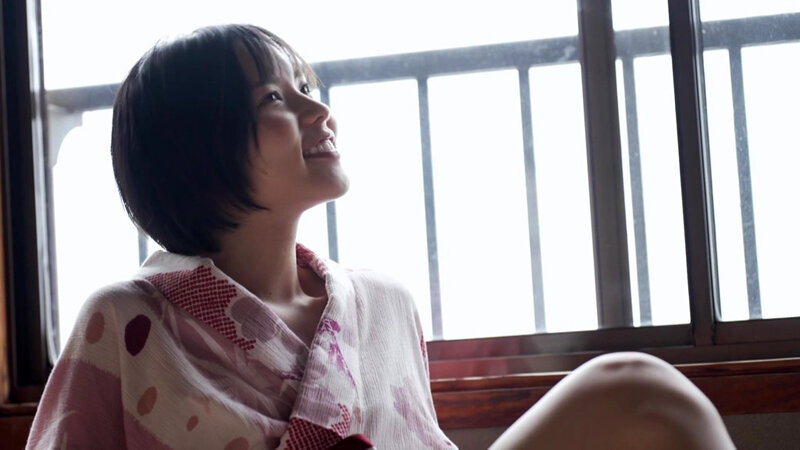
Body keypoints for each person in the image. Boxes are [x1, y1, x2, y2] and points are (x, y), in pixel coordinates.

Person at [26, 24, 735, 450]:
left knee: (635, 387)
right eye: (274, 97)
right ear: (192, 147)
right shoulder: (128, 320)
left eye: (306, 86)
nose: (318, 110)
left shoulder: (383, 305)